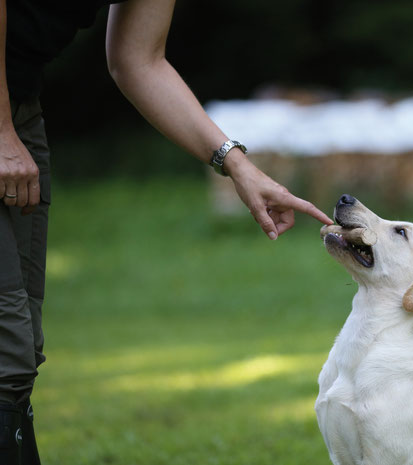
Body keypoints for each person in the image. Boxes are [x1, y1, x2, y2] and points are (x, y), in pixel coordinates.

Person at [0, 1, 333, 463]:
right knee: (5, 352)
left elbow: (139, 59)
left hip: (19, 108)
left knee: (19, 358)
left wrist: (237, 166)